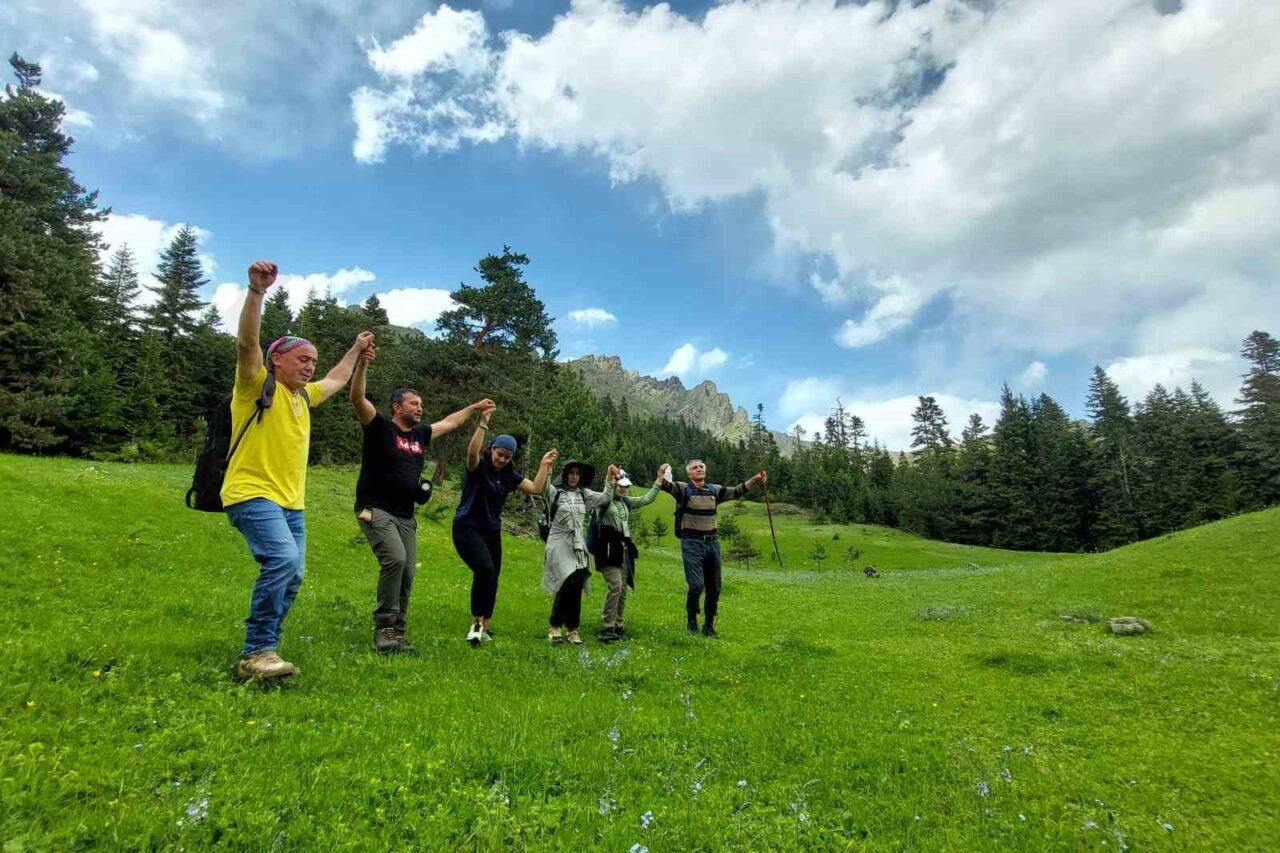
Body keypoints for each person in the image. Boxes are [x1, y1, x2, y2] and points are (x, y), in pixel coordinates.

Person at [223, 260, 374, 680]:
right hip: (251, 492)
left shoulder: (304, 397)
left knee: (293, 574)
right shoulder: (255, 385)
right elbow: (246, 344)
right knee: (283, 559)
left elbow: (337, 380)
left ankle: (264, 648)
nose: (310, 366)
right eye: (302, 359)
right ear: (277, 360)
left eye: (313, 361)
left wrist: (355, 350)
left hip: (292, 504)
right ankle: (257, 652)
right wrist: (257, 292)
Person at [349, 348, 494, 654]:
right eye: (414, 403)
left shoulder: (420, 435)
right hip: (376, 508)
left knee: (407, 571)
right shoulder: (380, 428)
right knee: (395, 559)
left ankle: (398, 632)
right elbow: (358, 398)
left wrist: (475, 408)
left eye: (421, 404)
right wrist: (362, 364)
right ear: (396, 406)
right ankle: (384, 629)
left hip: (405, 515)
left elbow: (450, 423)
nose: (420, 408)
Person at [452, 408, 555, 645]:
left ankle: (485, 628)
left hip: (491, 531)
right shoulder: (478, 467)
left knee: (493, 578)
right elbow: (471, 452)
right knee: (485, 569)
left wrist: (544, 465)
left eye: (507, 457)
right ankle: (476, 624)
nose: (502, 460)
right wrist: (483, 423)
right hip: (467, 527)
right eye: (499, 454)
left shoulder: (509, 476)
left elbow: (535, 488)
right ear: (492, 449)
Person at [658, 460, 766, 638]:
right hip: (691, 543)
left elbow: (737, 491)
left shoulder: (714, 490)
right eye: (695, 468)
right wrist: (661, 475)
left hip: (713, 544)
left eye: (701, 467)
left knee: (714, 588)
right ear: (689, 474)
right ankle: (691, 621)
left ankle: (708, 626)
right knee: (696, 585)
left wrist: (755, 479)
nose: (699, 469)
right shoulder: (683, 489)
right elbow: (665, 485)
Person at [541, 458, 617, 645]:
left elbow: (605, 498)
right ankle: (555, 626)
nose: (574, 477)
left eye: (577, 474)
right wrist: (547, 467)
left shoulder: (584, 494)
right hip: (559, 542)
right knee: (566, 581)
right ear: (565, 475)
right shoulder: (556, 492)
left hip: (577, 544)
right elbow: (542, 487)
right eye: (571, 473)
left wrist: (609, 479)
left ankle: (573, 629)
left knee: (576, 584)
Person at [593, 468, 661, 642]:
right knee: (616, 586)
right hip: (607, 549)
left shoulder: (626, 502)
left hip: (623, 549)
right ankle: (607, 628)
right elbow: (606, 492)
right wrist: (609, 478)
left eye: (626, 486)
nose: (623, 489)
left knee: (623, 589)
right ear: (614, 485)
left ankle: (618, 625)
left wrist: (658, 481)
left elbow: (646, 499)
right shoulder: (604, 501)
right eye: (620, 486)